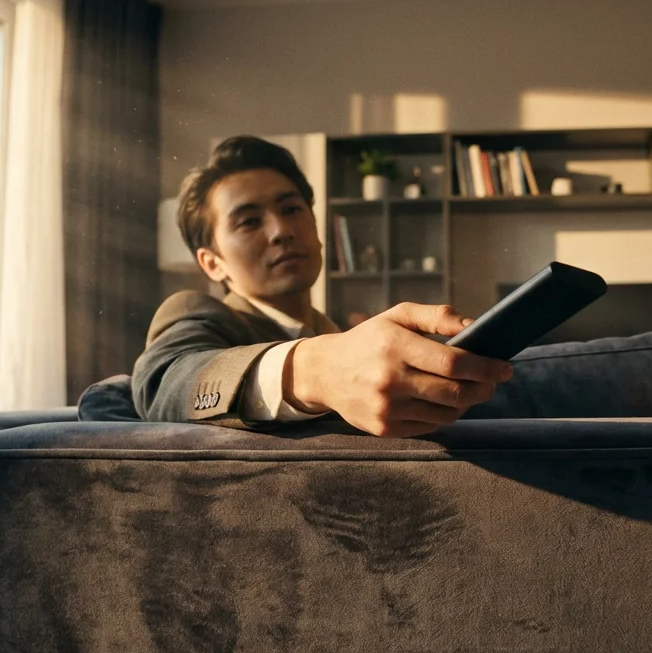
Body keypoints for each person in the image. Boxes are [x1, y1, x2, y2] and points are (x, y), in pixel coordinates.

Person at [132, 136, 513, 438]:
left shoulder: (341, 332)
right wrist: (319, 371)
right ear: (211, 263)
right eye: (248, 222)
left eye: (292, 209)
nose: (282, 230)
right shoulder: (198, 312)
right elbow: (166, 382)